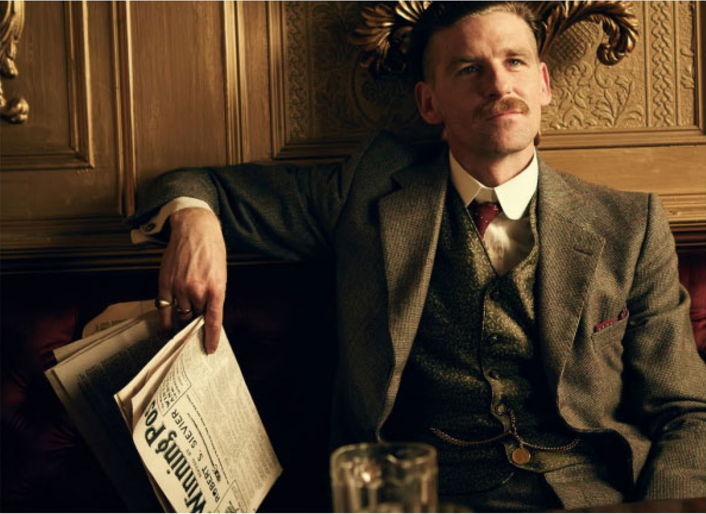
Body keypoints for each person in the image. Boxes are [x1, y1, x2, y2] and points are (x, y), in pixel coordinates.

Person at [132, 2, 706, 510]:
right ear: (429, 102)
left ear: (544, 84)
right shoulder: (365, 191)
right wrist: (194, 221)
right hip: (414, 497)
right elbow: (191, 184)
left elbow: (686, 410)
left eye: (514, 62)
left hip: (586, 497)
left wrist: (663, 511)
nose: (498, 84)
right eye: (469, 68)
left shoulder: (629, 225)